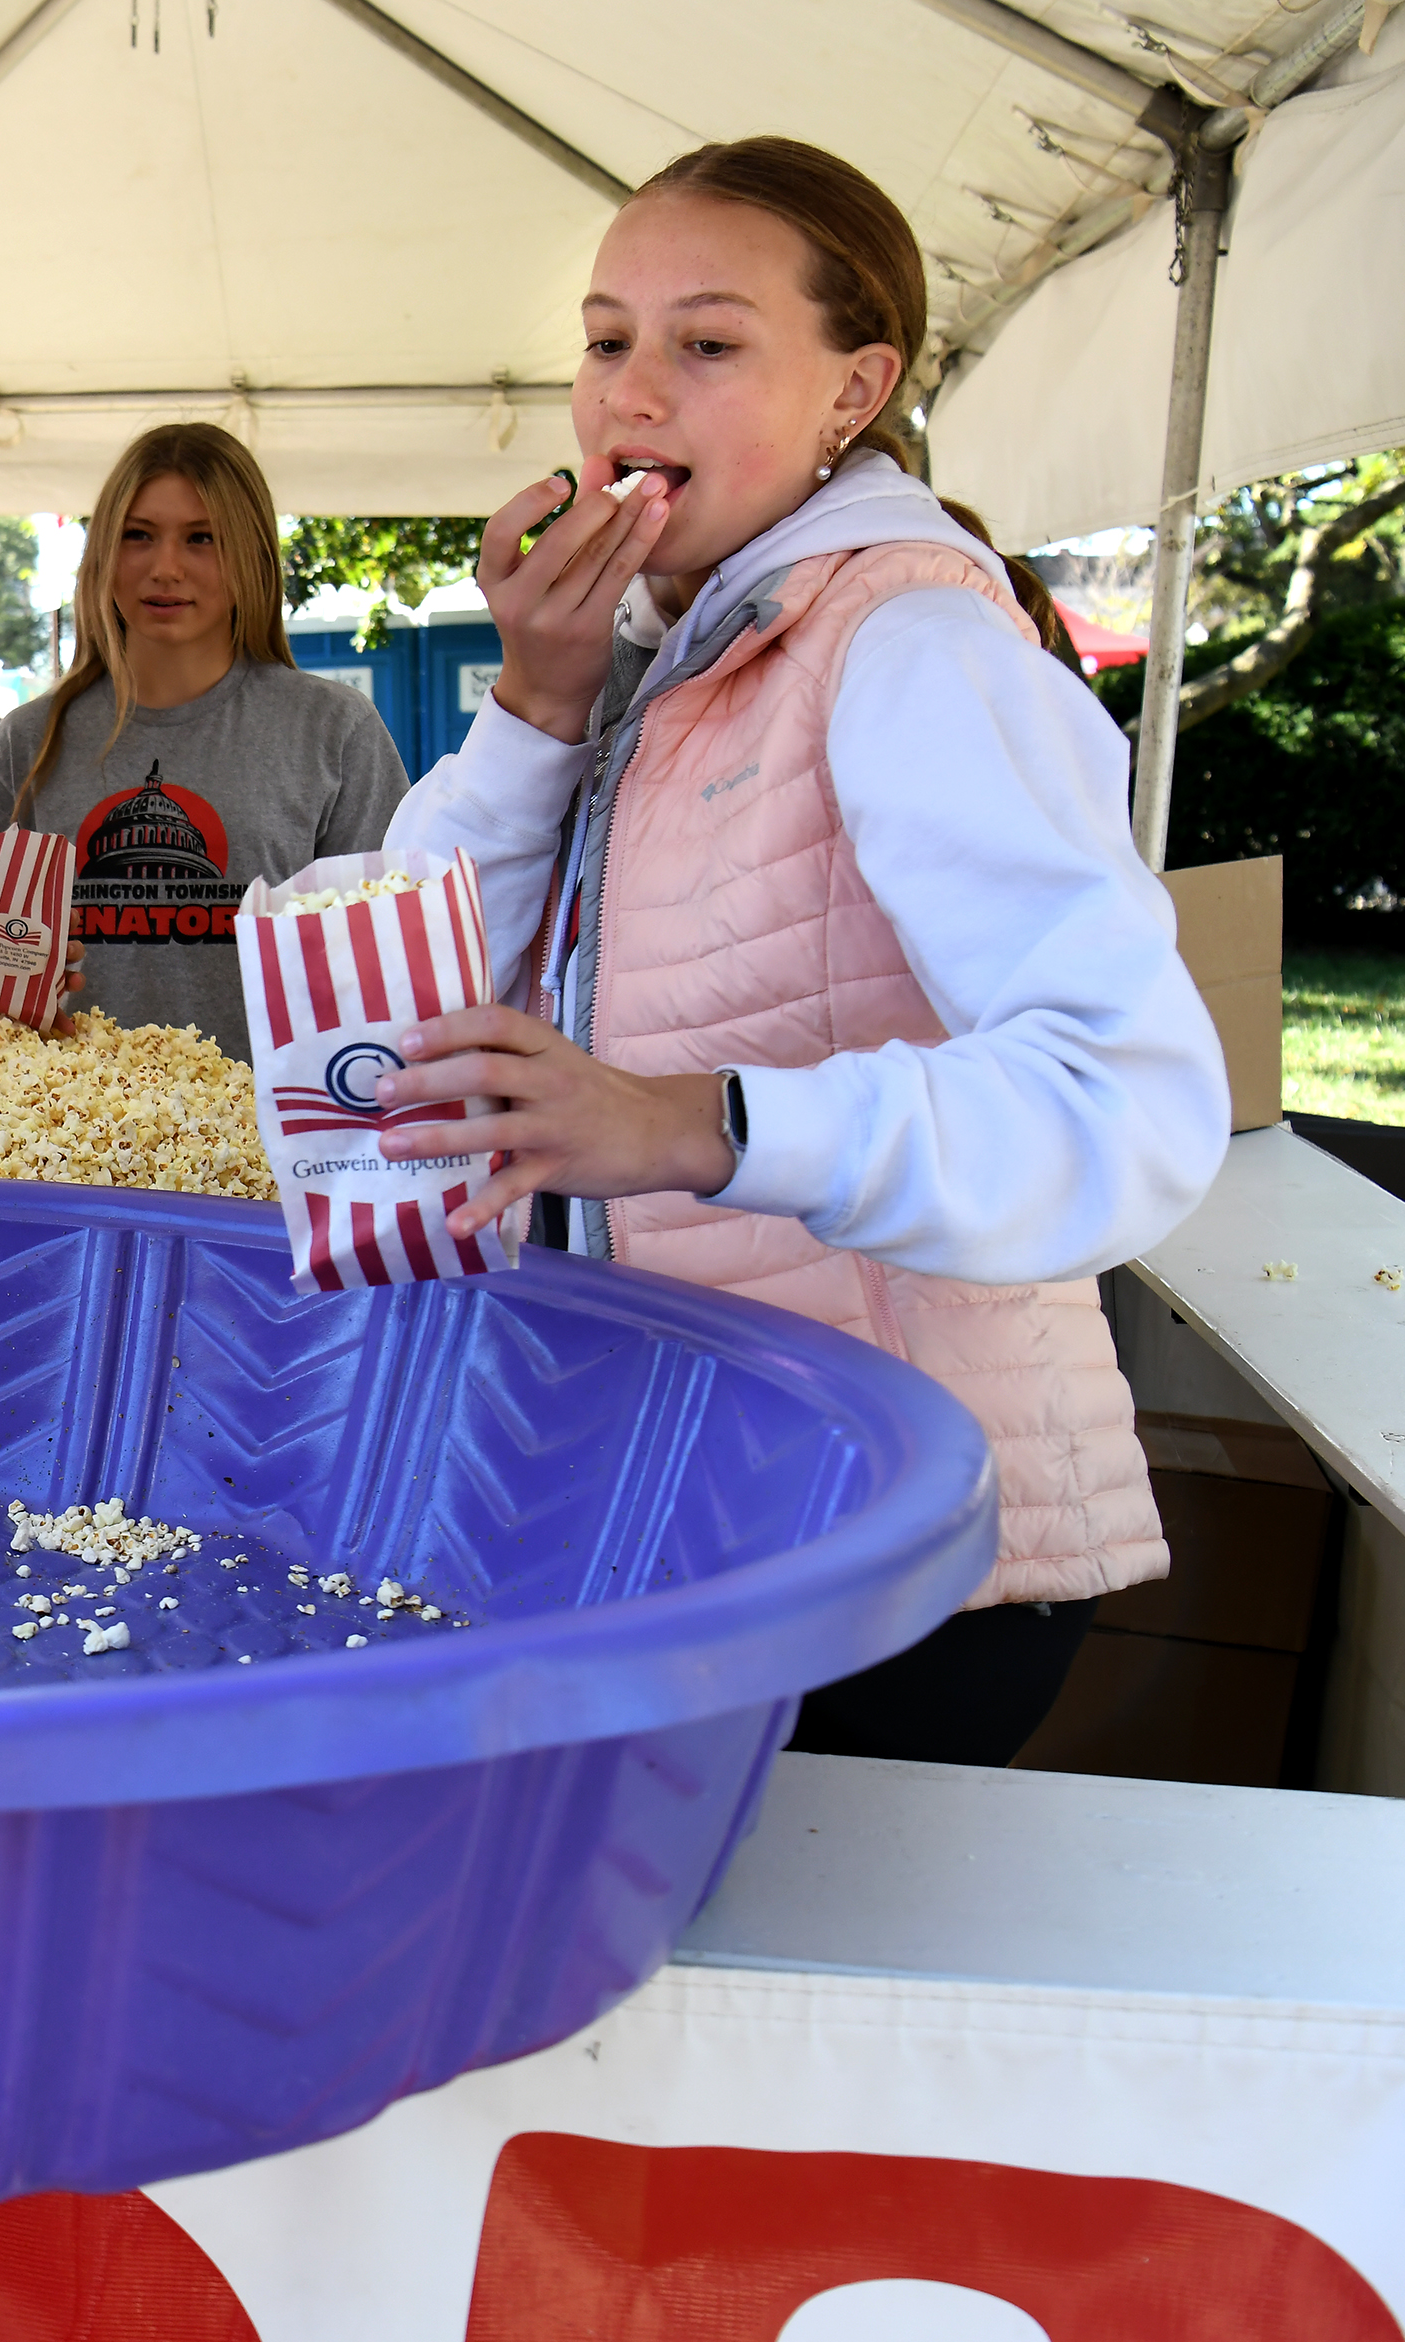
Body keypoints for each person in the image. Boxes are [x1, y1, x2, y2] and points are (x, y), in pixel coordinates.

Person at [373, 137, 1229, 1766]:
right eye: (607, 339)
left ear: (857, 389)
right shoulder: (664, 656)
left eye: (707, 344)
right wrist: (538, 699)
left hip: (898, 1543)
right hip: (701, 1503)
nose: (634, 394)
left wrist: (701, 1120)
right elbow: (413, 979)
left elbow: (1131, 1100)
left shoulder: (911, 646)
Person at [0, 424, 406, 1060]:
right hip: (63, 1139)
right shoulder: (30, 740)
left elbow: (388, 962)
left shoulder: (334, 730)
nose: (165, 568)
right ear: (102, 552)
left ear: (251, 554)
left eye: (201, 538)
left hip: (274, 1140)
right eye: (138, 535)